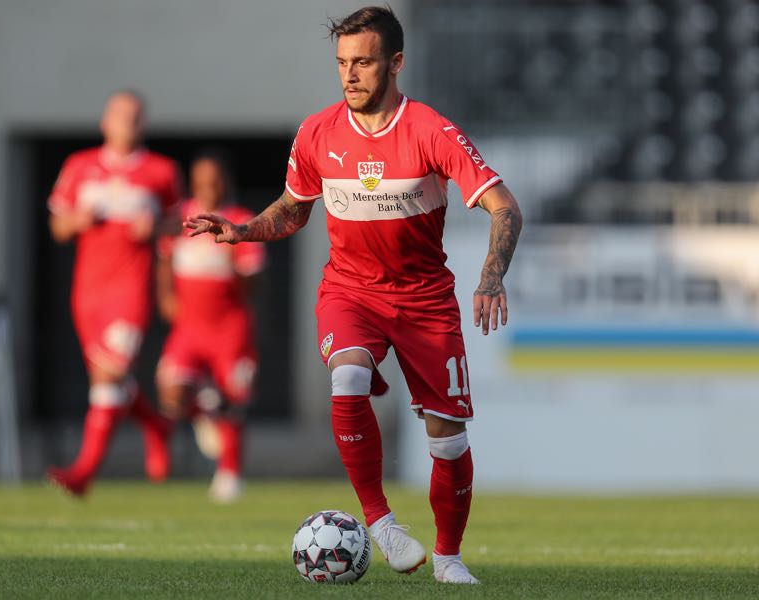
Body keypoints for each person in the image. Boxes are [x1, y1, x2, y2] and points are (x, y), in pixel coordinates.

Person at [186, 6, 522, 584]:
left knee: (446, 437)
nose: (350, 75)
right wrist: (241, 230)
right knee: (347, 378)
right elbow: (294, 208)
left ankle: (447, 557)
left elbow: (504, 207)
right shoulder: (318, 132)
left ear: (395, 63)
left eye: (363, 62)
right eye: (342, 63)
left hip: (423, 299)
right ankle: (382, 522)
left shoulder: (431, 131)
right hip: (351, 290)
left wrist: (490, 278)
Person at [46, 90, 179, 496]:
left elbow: (179, 223)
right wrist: (77, 220)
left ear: (144, 124)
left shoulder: (160, 171)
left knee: (109, 376)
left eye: (135, 115)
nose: (127, 121)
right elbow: (58, 228)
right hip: (87, 293)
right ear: (105, 121)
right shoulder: (79, 166)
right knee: (108, 382)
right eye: (120, 114)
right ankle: (156, 425)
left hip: (130, 290)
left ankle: (82, 474)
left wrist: (154, 228)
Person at [155, 152, 265, 503]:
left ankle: (230, 474)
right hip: (189, 325)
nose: (208, 186)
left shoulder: (239, 220)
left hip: (229, 326)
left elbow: (255, 283)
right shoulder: (180, 219)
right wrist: (165, 295)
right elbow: (164, 258)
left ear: (225, 182)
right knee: (171, 394)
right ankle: (203, 408)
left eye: (214, 178)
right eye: (201, 178)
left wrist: (233, 262)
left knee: (233, 400)